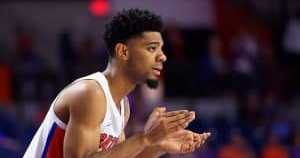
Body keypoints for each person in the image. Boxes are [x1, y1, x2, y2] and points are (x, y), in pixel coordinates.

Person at [23, 8, 211, 158]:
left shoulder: (122, 105)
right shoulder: (90, 93)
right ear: (123, 52)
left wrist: (158, 146)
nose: (162, 56)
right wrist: (145, 139)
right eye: (152, 48)